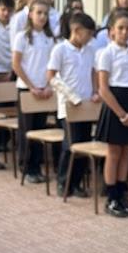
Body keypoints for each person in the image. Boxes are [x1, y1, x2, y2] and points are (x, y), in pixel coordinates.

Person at [95, 8, 128, 217]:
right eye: (120, 28)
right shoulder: (107, 53)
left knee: (127, 152)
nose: (125, 32)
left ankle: (122, 194)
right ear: (112, 31)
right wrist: (122, 114)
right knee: (114, 153)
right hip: (116, 106)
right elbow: (103, 89)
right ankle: (112, 197)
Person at [46, 11, 98, 199]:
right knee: (70, 146)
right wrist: (71, 95)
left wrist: (95, 92)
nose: (90, 38)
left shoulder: (90, 50)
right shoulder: (60, 50)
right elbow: (51, 76)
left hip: (86, 105)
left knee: (84, 146)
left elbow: (93, 72)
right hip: (68, 106)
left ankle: (75, 183)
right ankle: (63, 182)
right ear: (76, 30)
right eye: (88, 33)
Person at [12, 1, 56, 183]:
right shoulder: (22, 37)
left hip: (44, 90)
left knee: (40, 129)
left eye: (45, 13)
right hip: (27, 89)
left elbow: (51, 65)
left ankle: (36, 166)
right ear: (30, 14)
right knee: (27, 130)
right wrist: (31, 86)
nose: (42, 17)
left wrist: (47, 86)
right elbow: (16, 64)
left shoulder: (50, 38)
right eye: (39, 13)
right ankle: (26, 166)